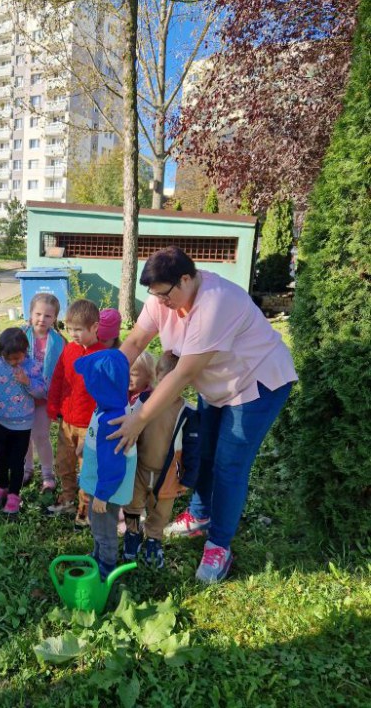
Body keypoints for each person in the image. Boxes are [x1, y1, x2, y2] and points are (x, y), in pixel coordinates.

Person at [110, 246, 297, 584]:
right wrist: (109, 378)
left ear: (186, 278)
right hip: (218, 384)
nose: (160, 303)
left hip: (258, 381)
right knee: (203, 450)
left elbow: (181, 375)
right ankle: (199, 516)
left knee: (229, 463)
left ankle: (219, 545)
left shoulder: (215, 303)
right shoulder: (164, 297)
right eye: (155, 296)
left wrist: (138, 420)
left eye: (165, 295)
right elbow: (136, 340)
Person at [123, 352, 200, 569]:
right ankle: (132, 533)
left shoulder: (189, 412)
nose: (173, 386)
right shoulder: (144, 401)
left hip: (168, 474)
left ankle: (154, 540)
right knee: (132, 503)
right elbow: (128, 425)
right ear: (158, 374)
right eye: (169, 378)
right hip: (140, 468)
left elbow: (194, 448)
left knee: (161, 510)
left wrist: (189, 476)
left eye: (181, 380)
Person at [45, 299, 106, 526]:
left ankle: (85, 507)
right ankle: (68, 498)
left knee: (88, 468)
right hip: (66, 421)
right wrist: (53, 407)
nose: (73, 334)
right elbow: (58, 379)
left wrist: (99, 423)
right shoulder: (69, 349)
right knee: (64, 462)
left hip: (89, 426)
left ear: (95, 327)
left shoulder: (102, 356)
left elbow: (106, 394)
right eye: (70, 329)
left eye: (79, 330)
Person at [76, 350, 135, 579]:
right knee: (99, 525)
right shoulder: (110, 406)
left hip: (106, 490)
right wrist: (86, 444)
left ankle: (106, 566)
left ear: (98, 385)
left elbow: (113, 464)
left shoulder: (112, 420)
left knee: (103, 528)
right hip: (103, 486)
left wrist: (102, 494)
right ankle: (98, 555)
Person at [0, 328, 46, 516]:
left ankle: (14, 494)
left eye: (18, 358)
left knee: (17, 461)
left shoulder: (32, 367)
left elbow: (41, 391)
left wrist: (27, 381)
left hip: (23, 423)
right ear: (2, 354)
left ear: (26, 350)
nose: (14, 362)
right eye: (9, 359)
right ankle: (1, 486)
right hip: (1, 420)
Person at [22, 294, 66, 492]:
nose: (42, 319)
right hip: (21, 395)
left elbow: (64, 370)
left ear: (55, 318)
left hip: (45, 397)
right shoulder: (20, 337)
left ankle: (48, 474)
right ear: (30, 314)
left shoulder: (59, 342)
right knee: (23, 435)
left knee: (40, 435)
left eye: (48, 316)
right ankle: (26, 468)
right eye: (38, 314)